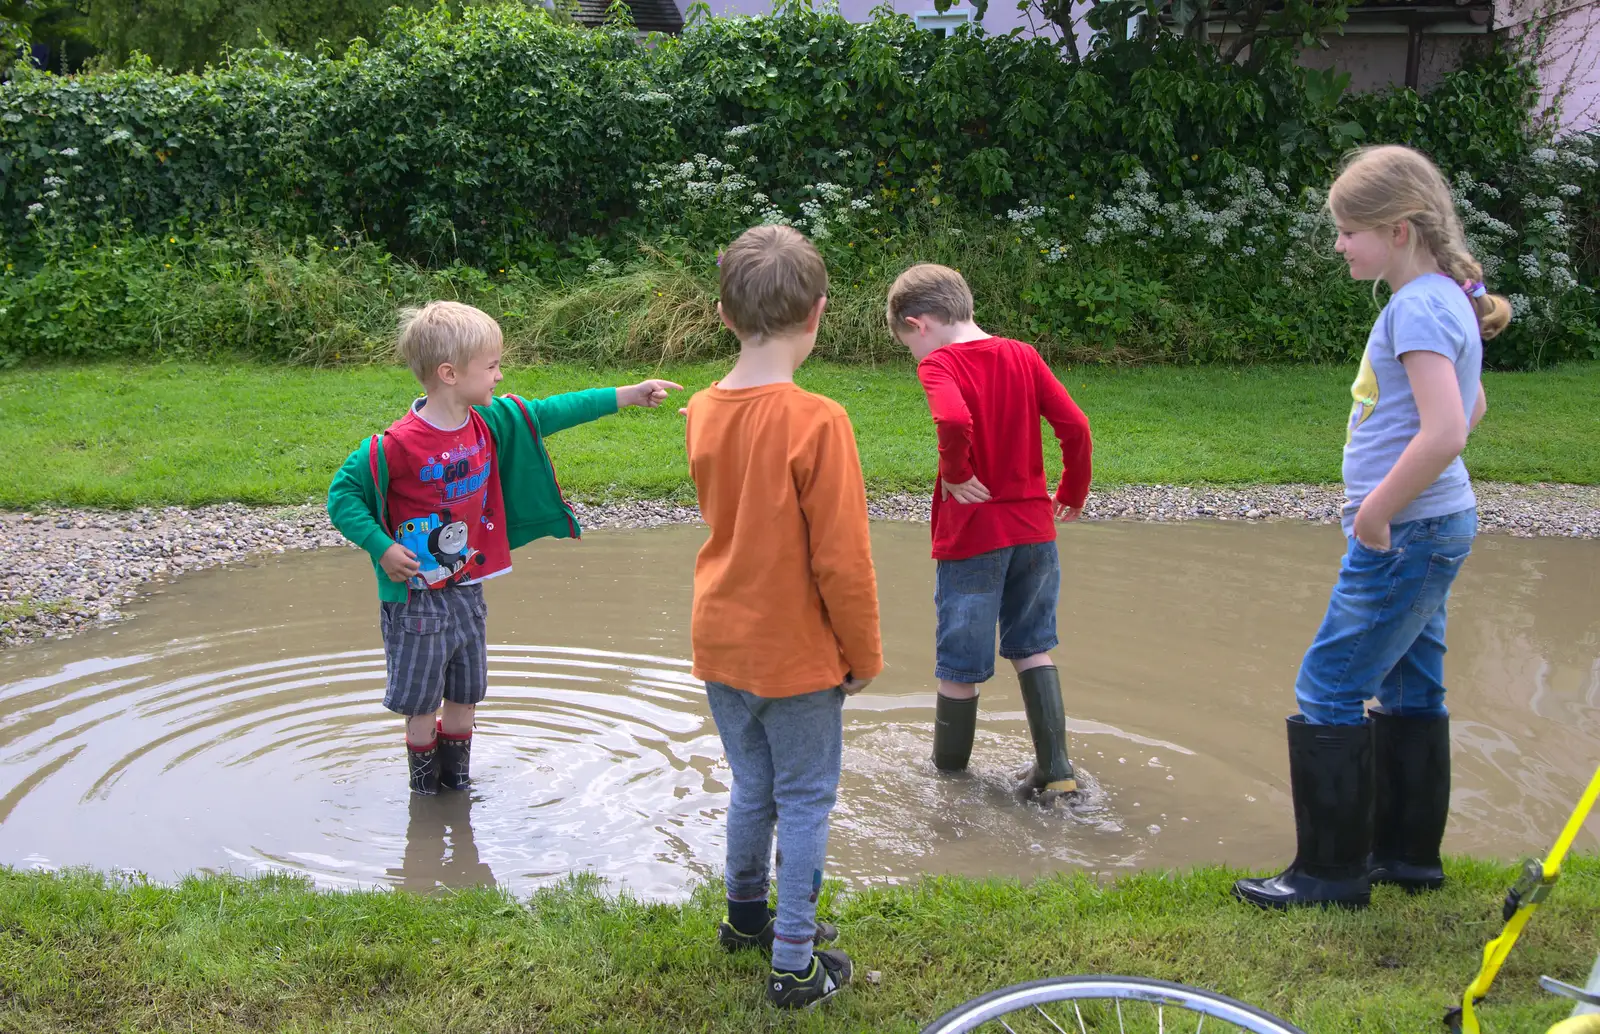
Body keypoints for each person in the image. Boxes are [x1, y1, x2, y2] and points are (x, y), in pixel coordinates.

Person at [1234, 145, 1511, 910]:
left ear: (1396, 229)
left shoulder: (1417, 305)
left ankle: (1327, 878)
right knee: (1412, 686)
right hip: (1438, 522)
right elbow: (1472, 406)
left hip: (1409, 531)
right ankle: (1407, 858)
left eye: (1347, 230)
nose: (1338, 244)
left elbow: (1448, 429)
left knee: (1327, 687)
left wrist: (1379, 510)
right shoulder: (1450, 296)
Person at [327, 300, 678, 795]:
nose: (499, 375)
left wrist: (628, 395)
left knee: (467, 694)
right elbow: (342, 497)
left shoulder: (488, 423)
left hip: (469, 588)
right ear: (449, 373)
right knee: (422, 705)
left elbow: (552, 411)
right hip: (416, 604)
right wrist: (381, 546)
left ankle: (459, 790)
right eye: (491, 366)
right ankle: (425, 798)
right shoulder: (394, 446)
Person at [684, 225, 882, 1009]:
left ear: (724, 315)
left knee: (751, 785)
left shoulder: (702, 407)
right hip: (796, 653)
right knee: (804, 799)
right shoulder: (819, 420)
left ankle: (744, 918)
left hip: (720, 636)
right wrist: (862, 655)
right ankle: (794, 963)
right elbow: (843, 559)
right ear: (819, 314)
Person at [885, 263, 1093, 801]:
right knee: (1034, 646)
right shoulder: (1023, 354)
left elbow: (952, 421)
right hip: (1035, 532)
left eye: (910, 344)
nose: (917, 356)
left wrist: (956, 473)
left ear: (919, 323)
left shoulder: (939, 365)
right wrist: (1072, 490)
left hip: (973, 535)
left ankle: (949, 786)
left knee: (960, 665)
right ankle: (1058, 770)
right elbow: (1075, 425)